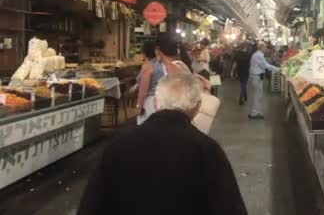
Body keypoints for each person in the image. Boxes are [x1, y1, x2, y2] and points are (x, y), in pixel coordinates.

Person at [77, 73, 247, 215]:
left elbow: (90, 206)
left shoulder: (119, 144)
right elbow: (230, 208)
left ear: (156, 103)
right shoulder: (207, 150)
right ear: (197, 107)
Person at [248, 41, 280, 119]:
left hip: (257, 76)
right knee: (257, 95)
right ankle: (254, 113)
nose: (266, 49)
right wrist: (278, 69)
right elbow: (266, 65)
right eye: (265, 47)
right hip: (257, 76)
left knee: (258, 95)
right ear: (261, 47)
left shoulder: (258, 54)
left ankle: (257, 111)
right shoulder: (258, 55)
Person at [135, 41, 164, 125]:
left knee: (145, 127)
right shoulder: (161, 64)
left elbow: (143, 91)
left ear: (144, 53)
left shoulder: (147, 66)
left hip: (149, 101)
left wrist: (139, 106)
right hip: (160, 100)